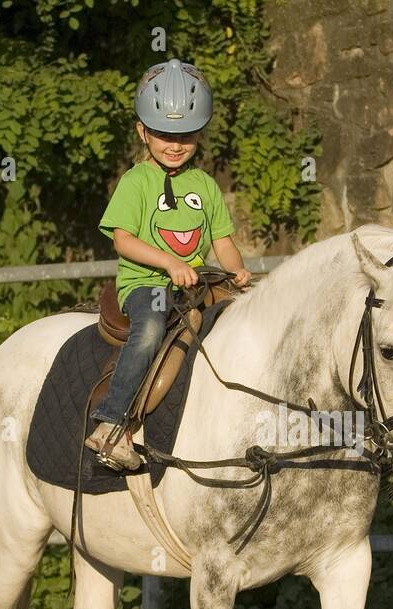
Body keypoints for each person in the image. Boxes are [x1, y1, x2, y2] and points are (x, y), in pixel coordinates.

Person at [88, 58, 252, 470]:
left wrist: (239, 274)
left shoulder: (205, 185)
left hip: (195, 285)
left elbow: (222, 241)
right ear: (142, 131)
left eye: (186, 135)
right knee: (150, 329)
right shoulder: (135, 182)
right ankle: (110, 424)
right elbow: (123, 241)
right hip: (147, 286)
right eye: (163, 134)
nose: (175, 145)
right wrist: (168, 262)